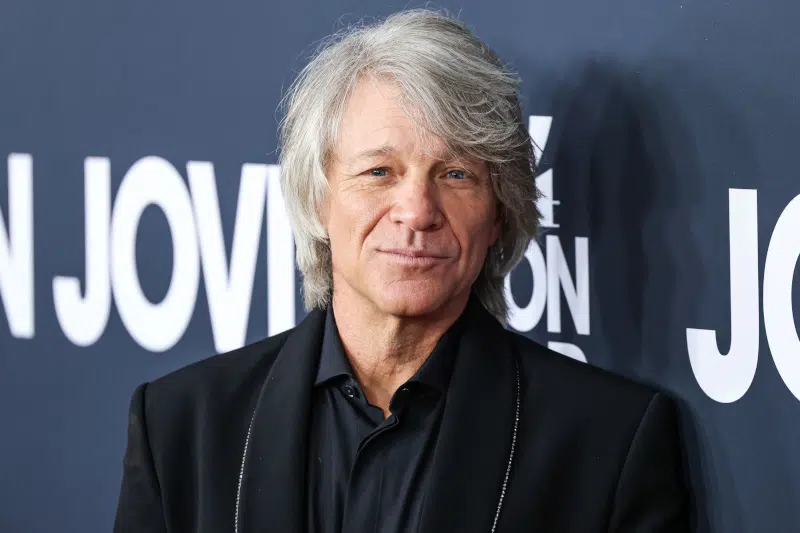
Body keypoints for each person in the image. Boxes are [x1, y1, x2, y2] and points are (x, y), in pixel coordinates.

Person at [113, 8, 689, 533]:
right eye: (379, 172)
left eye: (457, 174)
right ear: (317, 198)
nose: (416, 211)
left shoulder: (609, 443)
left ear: (499, 213)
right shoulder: (181, 429)